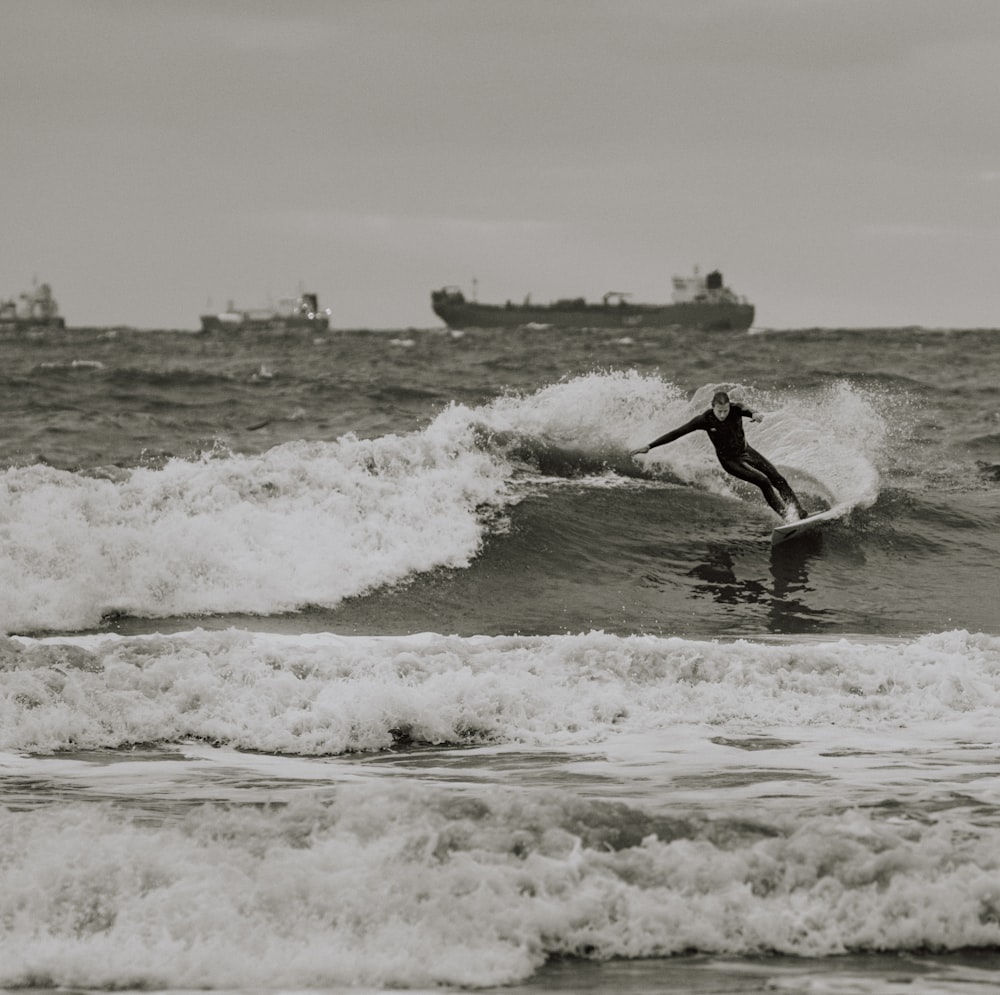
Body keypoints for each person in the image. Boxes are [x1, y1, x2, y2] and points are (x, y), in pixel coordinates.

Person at [630, 390, 805, 522]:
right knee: (764, 481)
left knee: (777, 478)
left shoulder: (735, 410)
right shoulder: (705, 420)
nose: (722, 415)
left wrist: (755, 414)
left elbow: (746, 409)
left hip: (747, 451)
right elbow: (677, 432)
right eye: (719, 411)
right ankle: (788, 519)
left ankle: (799, 512)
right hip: (730, 461)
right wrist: (650, 446)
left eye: (725, 410)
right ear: (712, 407)